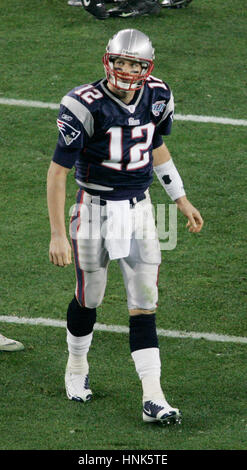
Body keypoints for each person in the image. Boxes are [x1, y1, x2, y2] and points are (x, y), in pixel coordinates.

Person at [47, 29, 203, 425]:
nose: (127, 70)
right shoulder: (84, 103)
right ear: (109, 61)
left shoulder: (158, 95)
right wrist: (56, 234)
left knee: (144, 301)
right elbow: (57, 173)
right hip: (94, 209)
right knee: (90, 297)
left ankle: (153, 397)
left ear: (147, 67)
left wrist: (180, 198)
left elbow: (155, 145)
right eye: (121, 62)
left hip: (139, 209)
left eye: (135, 64)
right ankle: (77, 367)